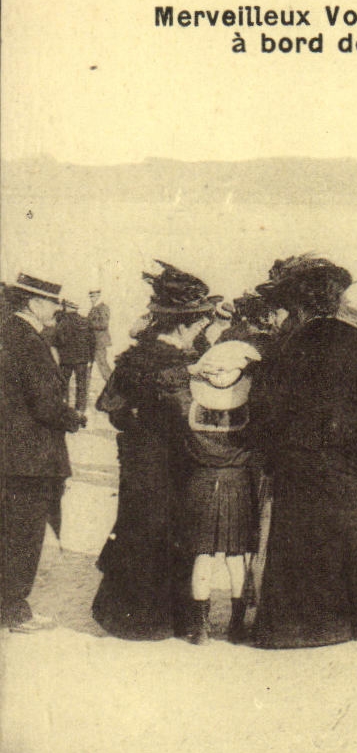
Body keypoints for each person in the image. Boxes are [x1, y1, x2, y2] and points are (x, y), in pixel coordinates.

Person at [246, 255, 357, 648]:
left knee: (302, 544)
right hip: (352, 464)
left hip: (298, 464)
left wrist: (273, 453)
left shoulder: (283, 348)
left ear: (298, 305)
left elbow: (264, 411)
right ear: (337, 300)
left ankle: (301, 629)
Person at [91, 263, 217, 640]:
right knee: (164, 532)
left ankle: (133, 617)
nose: (202, 330)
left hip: (145, 462)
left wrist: (136, 425)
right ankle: (155, 620)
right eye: (199, 324)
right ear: (182, 325)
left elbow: (110, 407)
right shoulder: (176, 364)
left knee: (145, 529)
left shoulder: (140, 356)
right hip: (167, 464)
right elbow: (189, 420)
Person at [2, 275, 87, 633]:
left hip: (10, 452)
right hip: (31, 457)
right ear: (34, 303)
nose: (57, 309)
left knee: (8, 531)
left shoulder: (8, 331)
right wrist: (74, 418)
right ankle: (13, 609)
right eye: (53, 303)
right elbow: (45, 404)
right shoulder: (29, 341)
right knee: (24, 535)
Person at [171, 339, 262, 642]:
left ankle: (201, 626)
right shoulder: (249, 411)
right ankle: (236, 626)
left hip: (201, 483)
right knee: (236, 557)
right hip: (238, 484)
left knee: (203, 555)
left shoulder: (189, 405)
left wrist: (194, 370)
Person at [52, 299, 97, 412]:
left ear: (67, 308)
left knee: (63, 383)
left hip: (66, 359)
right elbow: (92, 341)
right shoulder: (85, 321)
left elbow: (59, 339)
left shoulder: (63, 321)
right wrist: (91, 358)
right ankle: (80, 410)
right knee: (81, 385)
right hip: (82, 359)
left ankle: (64, 407)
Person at [86, 288, 113, 385]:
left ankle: (113, 386)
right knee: (87, 366)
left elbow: (104, 324)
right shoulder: (94, 308)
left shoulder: (103, 308)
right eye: (90, 296)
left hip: (99, 342)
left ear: (98, 296)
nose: (92, 299)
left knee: (102, 365)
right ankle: (84, 388)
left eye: (93, 296)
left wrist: (88, 324)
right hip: (92, 341)